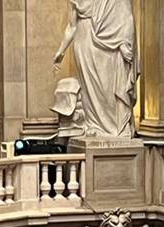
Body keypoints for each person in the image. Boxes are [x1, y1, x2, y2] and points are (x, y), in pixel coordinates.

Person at [52, 0, 137, 137]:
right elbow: (72, 26)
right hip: (84, 42)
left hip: (111, 46)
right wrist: (60, 51)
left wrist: (123, 41)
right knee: (90, 91)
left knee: (108, 88)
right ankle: (94, 125)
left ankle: (116, 129)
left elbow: (125, 16)